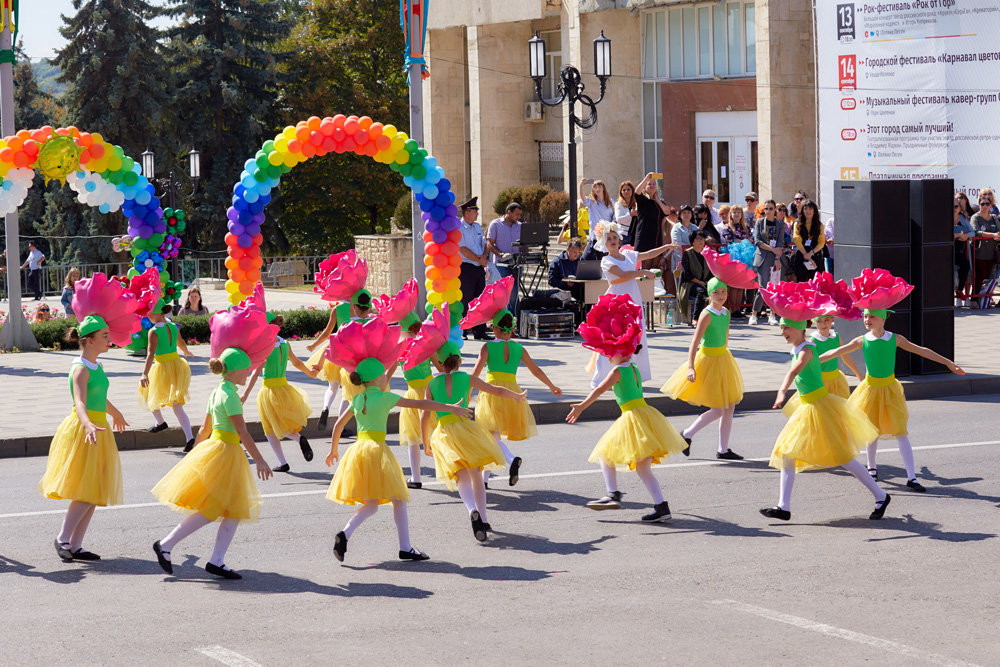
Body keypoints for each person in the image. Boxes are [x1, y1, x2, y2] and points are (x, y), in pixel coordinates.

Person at [325, 318, 472, 563]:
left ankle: (344, 533)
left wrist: (333, 449)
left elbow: (339, 424)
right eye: (383, 374)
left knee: (372, 505)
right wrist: (448, 407)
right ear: (376, 379)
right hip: (377, 451)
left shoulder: (359, 399)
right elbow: (420, 403)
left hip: (358, 450)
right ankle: (405, 547)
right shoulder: (385, 397)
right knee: (399, 499)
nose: (386, 377)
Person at [151, 304, 277, 580]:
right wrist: (261, 460)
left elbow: (204, 429)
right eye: (246, 370)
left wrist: (195, 455)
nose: (248, 374)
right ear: (235, 371)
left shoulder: (219, 390)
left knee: (232, 510)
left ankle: (216, 560)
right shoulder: (231, 396)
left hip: (216, 451)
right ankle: (167, 544)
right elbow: (242, 433)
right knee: (213, 510)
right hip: (226, 453)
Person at [820, 272, 965, 492]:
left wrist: (948, 363)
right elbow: (836, 351)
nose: (867, 320)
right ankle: (872, 468)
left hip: (889, 389)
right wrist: (809, 360)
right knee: (871, 431)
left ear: (884, 318)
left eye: (872, 317)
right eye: (865, 317)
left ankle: (912, 476)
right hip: (869, 389)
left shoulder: (895, 339)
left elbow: (922, 350)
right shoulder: (862, 340)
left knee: (901, 432)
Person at [759, 290, 889, 522]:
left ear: (800, 328)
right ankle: (783, 507)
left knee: (842, 456)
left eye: (787, 328)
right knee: (788, 454)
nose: (783, 332)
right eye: (781, 328)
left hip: (819, 407)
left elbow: (796, 369)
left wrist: (781, 390)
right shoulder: (797, 347)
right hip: (808, 407)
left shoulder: (807, 349)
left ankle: (881, 494)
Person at [39, 273, 138, 563]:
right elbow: (80, 402)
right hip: (85, 429)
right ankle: (62, 539)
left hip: (99, 426)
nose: (111, 340)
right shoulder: (80, 368)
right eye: (105, 336)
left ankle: (76, 545)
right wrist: (87, 425)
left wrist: (115, 412)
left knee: (95, 492)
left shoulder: (96, 364)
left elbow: (99, 397)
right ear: (90, 340)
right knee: (86, 489)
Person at [567, 293, 687, 520]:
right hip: (645, 415)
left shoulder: (618, 371)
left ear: (620, 351)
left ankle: (613, 494)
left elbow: (599, 390)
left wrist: (582, 406)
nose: (607, 355)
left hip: (632, 417)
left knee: (604, 454)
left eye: (609, 351)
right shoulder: (633, 369)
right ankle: (661, 507)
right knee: (643, 468)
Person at [419, 338, 527, 542]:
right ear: (459, 360)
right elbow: (496, 390)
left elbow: (425, 415)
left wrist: (426, 443)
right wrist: (516, 396)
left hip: (445, 434)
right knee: (477, 476)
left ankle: (471, 511)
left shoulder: (432, 383)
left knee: (461, 478)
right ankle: (484, 519)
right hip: (469, 430)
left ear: (440, 363)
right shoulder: (468, 379)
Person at [472, 308, 562, 487]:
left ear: (495, 329)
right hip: (513, 393)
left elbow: (475, 374)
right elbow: (535, 370)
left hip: (492, 391)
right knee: (493, 437)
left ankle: (511, 459)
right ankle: (484, 480)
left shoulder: (487, 347)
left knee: (491, 435)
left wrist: (466, 395)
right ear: (511, 328)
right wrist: (551, 386)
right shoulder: (519, 347)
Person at [662, 277, 744, 461]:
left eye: (723, 291)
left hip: (723, 360)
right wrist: (691, 367)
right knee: (718, 409)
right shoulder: (707, 314)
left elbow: (725, 336)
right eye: (716, 292)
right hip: (708, 362)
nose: (721, 295)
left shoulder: (726, 312)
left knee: (729, 407)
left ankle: (723, 450)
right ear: (709, 294)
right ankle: (687, 434)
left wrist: (725, 355)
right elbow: (695, 342)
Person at [590, 226, 677, 388]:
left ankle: (635, 374)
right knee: (613, 338)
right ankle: (603, 376)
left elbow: (649, 254)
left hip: (633, 298)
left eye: (614, 237)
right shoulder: (606, 261)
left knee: (635, 336)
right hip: (616, 300)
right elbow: (622, 276)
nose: (612, 241)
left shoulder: (629, 255)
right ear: (604, 243)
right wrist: (643, 272)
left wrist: (666, 247)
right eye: (608, 239)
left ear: (619, 239)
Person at [241, 313, 316, 472]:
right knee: (281, 424)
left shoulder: (266, 346)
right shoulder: (285, 343)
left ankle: (284, 461)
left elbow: (256, 374)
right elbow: (297, 363)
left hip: (269, 390)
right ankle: (298, 439)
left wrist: (245, 394)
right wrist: (310, 373)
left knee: (270, 428)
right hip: (284, 388)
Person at [140, 299, 196, 451]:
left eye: (149, 313)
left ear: (158, 313)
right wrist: (186, 351)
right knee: (177, 405)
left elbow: (150, 354)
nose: (148, 316)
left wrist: (144, 373)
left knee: (148, 395)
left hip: (162, 367)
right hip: (176, 364)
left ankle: (160, 422)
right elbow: (181, 342)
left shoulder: (154, 331)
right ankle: (190, 437)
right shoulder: (172, 325)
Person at [457, 196, 491, 341]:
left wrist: (484, 257)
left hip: (478, 267)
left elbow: (485, 244)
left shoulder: (477, 227)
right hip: (466, 267)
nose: (477, 213)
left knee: (480, 301)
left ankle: (480, 331)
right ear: (467, 212)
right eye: (475, 210)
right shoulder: (458, 227)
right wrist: (479, 259)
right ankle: (462, 331)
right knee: (465, 300)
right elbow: (463, 249)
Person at [750, 200, 786, 325]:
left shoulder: (780, 224)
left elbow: (780, 242)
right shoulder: (759, 222)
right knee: (763, 286)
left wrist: (777, 257)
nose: (769, 211)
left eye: (771, 208)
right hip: (763, 257)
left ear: (775, 209)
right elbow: (757, 241)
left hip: (775, 257)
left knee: (775, 287)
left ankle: (773, 314)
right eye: (766, 209)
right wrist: (772, 249)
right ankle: (754, 314)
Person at [486, 202, 522, 314]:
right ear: (508, 213)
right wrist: (501, 254)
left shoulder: (520, 226)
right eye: (517, 214)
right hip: (503, 264)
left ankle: (512, 318)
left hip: (518, 263)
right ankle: (514, 317)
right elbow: (489, 244)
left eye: (520, 214)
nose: (519, 217)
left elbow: (524, 243)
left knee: (515, 292)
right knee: (510, 292)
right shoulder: (495, 224)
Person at [721, 206, 751, 317]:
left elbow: (751, 239)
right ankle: (733, 309)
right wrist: (743, 241)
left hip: (746, 256)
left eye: (739, 212)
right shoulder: (727, 227)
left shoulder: (746, 227)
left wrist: (742, 241)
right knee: (734, 284)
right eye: (734, 212)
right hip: (734, 257)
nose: (737, 214)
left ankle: (738, 308)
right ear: (731, 214)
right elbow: (729, 240)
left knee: (741, 283)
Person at [970, 196, 1000, 303]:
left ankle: (984, 300)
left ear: (991, 206)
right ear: (979, 205)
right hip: (979, 252)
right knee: (979, 277)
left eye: (987, 204)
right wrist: (992, 235)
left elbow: (998, 230)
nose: (985, 206)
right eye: (982, 204)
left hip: (991, 252)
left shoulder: (994, 218)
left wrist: (996, 235)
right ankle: (974, 300)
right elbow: (976, 232)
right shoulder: (975, 217)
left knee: (987, 278)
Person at [678, 230, 712, 323]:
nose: (701, 241)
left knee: (715, 289)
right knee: (702, 291)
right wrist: (699, 282)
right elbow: (686, 273)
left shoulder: (706, 253)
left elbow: (711, 272)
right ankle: (696, 319)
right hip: (690, 284)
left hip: (703, 282)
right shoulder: (687, 253)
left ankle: (712, 317)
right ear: (693, 241)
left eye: (702, 238)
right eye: (698, 238)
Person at [790, 199, 826, 282]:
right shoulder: (797, 223)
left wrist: (811, 253)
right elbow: (797, 239)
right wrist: (806, 254)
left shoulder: (819, 225)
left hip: (815, 255)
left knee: (816, 283)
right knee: (802, 283)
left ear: (814, 210)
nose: (808, 211)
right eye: (805, 209)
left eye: (810, 209)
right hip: (802, 255)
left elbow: (821, 242)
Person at [579, 179, 615, 260]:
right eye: (595, 187)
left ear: (603, 188)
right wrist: (581, 185)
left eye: (599, 186)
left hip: (606, 237)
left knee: (602, 261)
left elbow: (614, 217)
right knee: (585, 259)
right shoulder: (591, 202)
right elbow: (582, 197)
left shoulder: (611, 202)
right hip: (595, 237)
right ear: (593, 190)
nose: (597, 189)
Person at [954, 193, 975, 306]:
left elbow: (972, 232)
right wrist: (957, 235)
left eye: (956, 207)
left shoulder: (963, 218)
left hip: (960, 252)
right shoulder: (945, 217)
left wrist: (966, 236)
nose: (954, 209)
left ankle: (959, 293)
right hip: (946, 253)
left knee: (965, 267)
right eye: (952, 206)